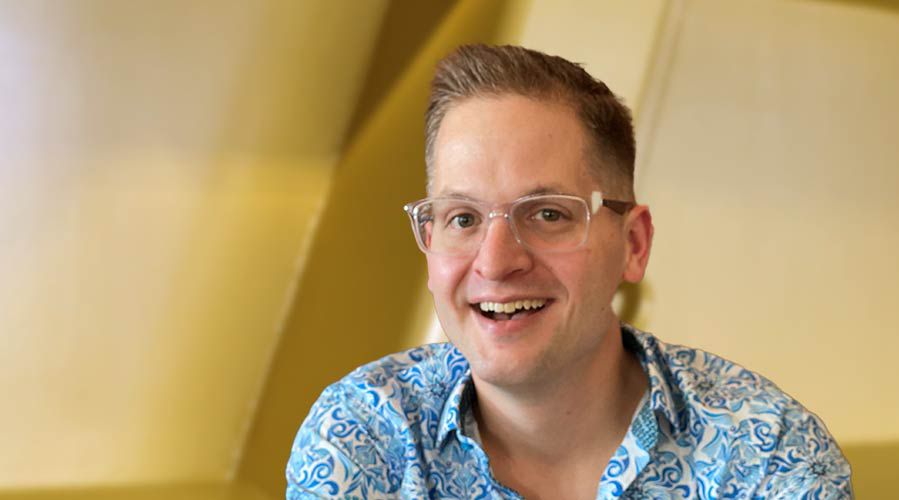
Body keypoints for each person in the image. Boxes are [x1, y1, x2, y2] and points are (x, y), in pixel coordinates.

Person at [286, 44, 853, 499]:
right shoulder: (365, 437)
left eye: (548, 214)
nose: (495, 261)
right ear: (431, 244)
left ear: (633, 244)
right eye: (463, 218)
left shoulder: (765, 456)